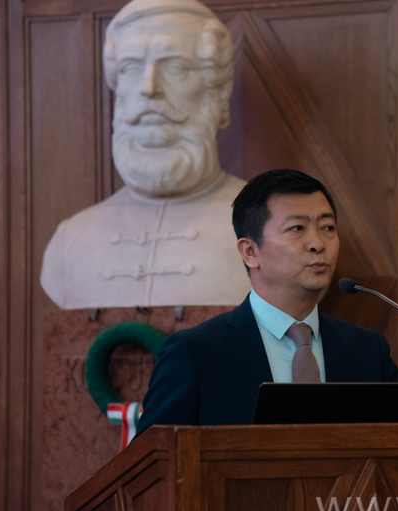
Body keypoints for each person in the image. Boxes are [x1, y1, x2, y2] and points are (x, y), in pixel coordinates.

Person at [136, 169, 398, 432]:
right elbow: (155, 457)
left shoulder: (367, 350)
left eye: (328, 227)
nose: (318, 243)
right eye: (297, 228)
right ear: (250, 252)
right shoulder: (196, 353)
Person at [39, 0, 251, 309]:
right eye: (130, 68)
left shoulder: (271, 229)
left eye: (176, 67)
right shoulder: (69, 242)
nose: (149, 88)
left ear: (217, 92)